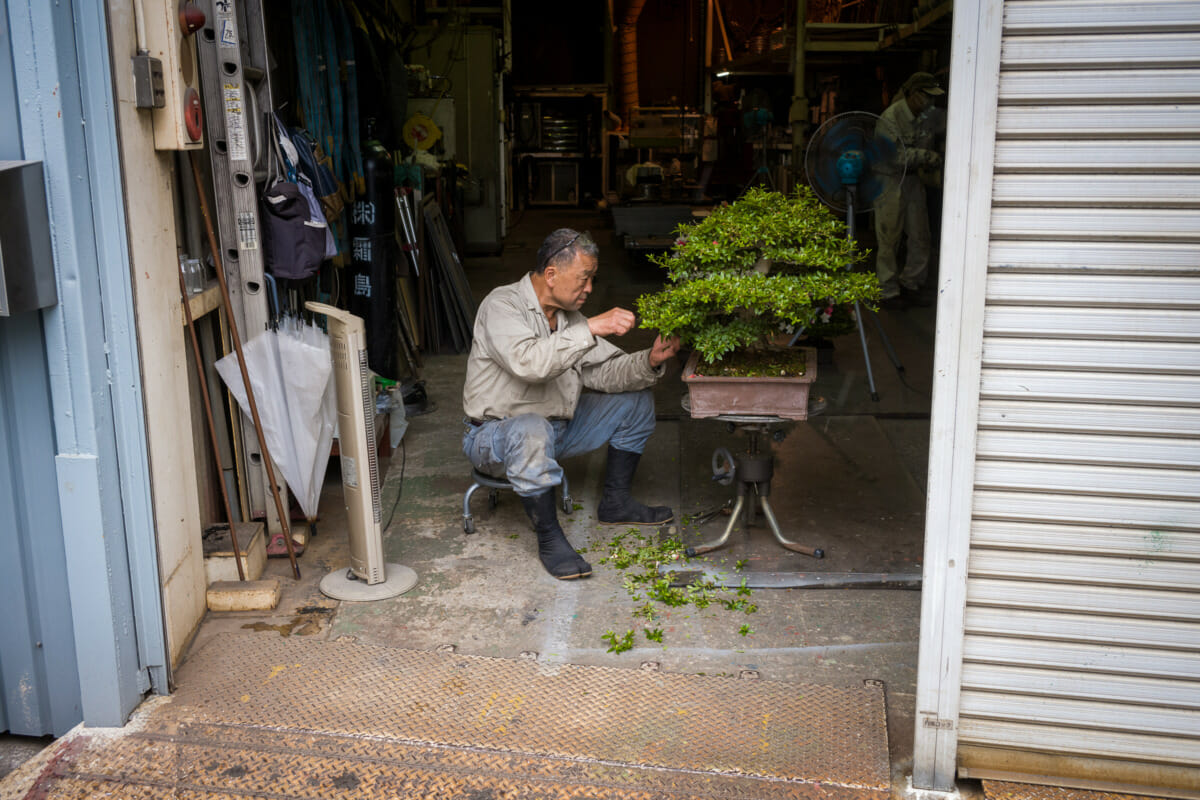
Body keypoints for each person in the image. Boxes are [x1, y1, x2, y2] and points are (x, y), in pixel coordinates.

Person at [461, 228, 682, 580]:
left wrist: (650, 360)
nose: (590, 289)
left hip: (557, 430)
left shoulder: (569, 319)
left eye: (593, 279)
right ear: (551, 274)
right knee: (531, 428)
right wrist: (593, 327)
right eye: (584, 279)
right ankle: (549, 537)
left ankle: (616, 502)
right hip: (496, 437)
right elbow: (529, 363)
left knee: (637, 402)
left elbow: (606, 372)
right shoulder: (501, 306)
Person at [873, 71, 945, 310]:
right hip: (889, 181)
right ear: (913, 94)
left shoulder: (926, 117)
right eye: (926, 96)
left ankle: (912, 283)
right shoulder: (890, 118)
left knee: (920, 235)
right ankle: (888, 290)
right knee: (889, 237)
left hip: (913, 181)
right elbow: (894, 157)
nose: (930, 102)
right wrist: (928, 157)